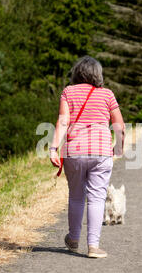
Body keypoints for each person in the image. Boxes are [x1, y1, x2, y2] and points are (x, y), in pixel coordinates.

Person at [49, 56, 125, 258]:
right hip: (101, 151)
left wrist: (53, 148)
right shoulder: (107, 94)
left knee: (75, 197)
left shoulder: (68, 91)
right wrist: (119, 146)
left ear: (77, 73)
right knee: (97, 198)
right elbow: (120, 125)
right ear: (98, 75)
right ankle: (93, 246)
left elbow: (63, 122)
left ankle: (73, 239)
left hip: (74, 151)